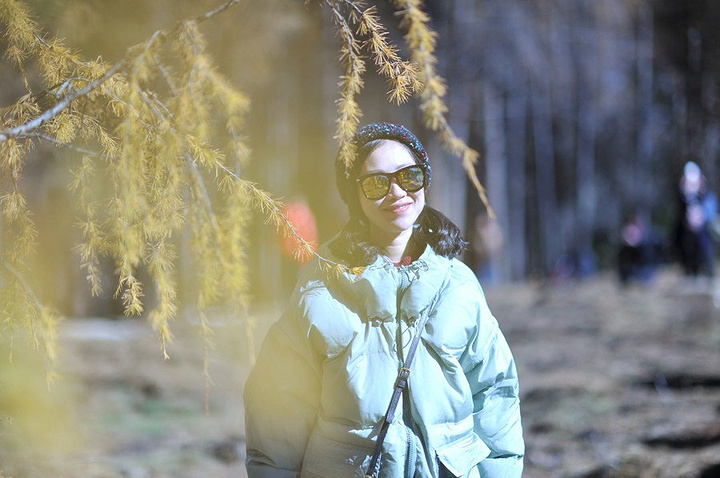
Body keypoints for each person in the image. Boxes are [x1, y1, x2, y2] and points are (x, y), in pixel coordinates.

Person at [244, 122, 524, 477]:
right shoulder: (321, 289)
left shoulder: (459, 285)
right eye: (376, 183)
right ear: (355, 196)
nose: (396, 192)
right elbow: (278, 406)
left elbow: (495, 392)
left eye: (409, 176)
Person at [675, 161, 716, 279]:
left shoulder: (706, 195)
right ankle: (690, 273)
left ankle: (709, 274)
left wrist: (701, 217)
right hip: (687, 229)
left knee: (704, 246)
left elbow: (711, 211)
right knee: (687, 246)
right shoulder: (683, 197)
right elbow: (681, 212)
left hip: (704, 228)